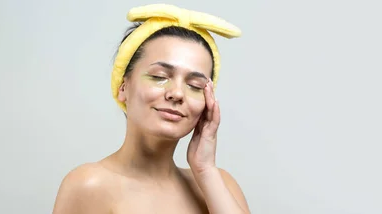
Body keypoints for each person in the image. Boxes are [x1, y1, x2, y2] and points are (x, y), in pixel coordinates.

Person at [52, 4, 250, 214]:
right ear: (123, 87)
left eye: (195, 86)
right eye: (159, 77)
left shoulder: (220, 185)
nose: (177, 93)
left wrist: (205, 170)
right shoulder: (89, 185)